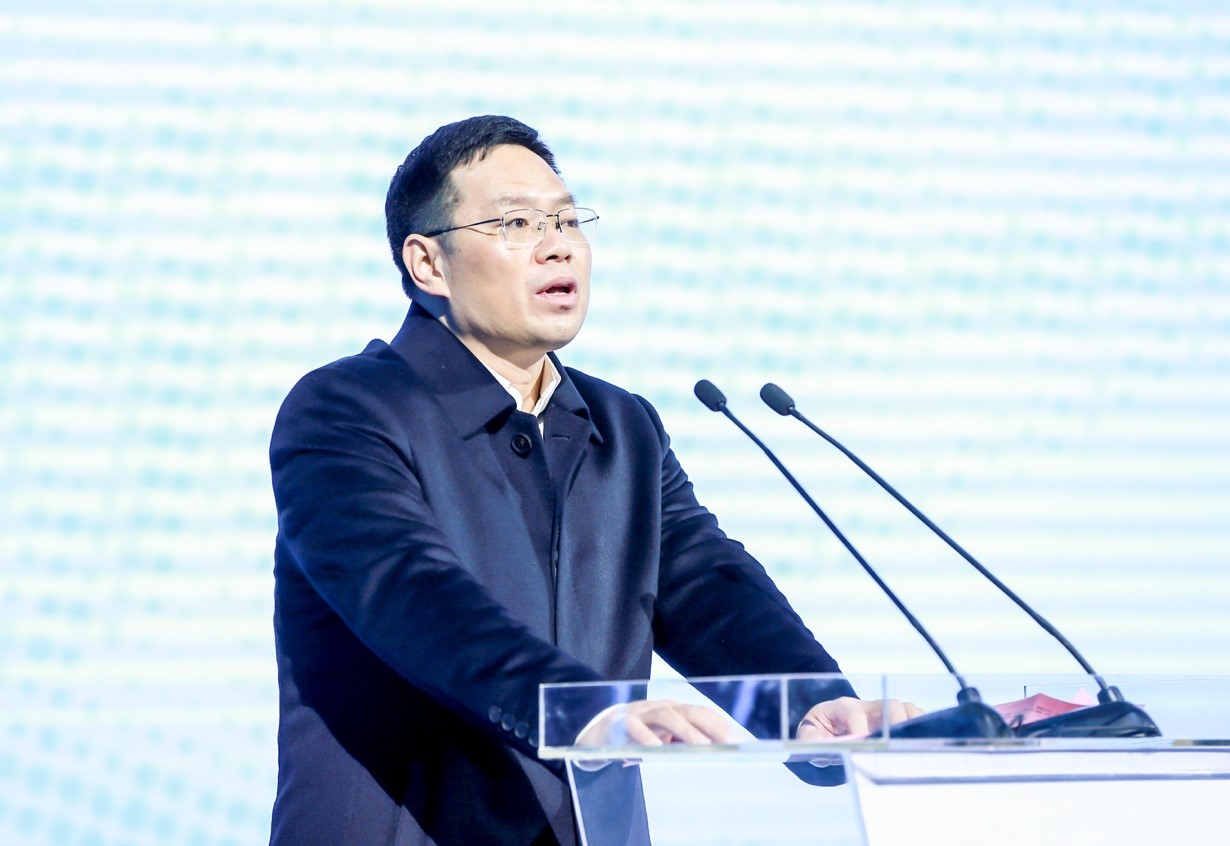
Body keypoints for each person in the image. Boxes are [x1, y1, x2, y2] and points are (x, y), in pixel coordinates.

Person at [268, 115, 919, 846]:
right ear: (428, 264)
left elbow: (706, 586)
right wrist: (581, 709)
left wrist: (809, 705)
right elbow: (409, 592)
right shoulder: (346, 409)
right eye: (516, 223)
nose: (557, 244)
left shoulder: (622, 426)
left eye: (567, 220)